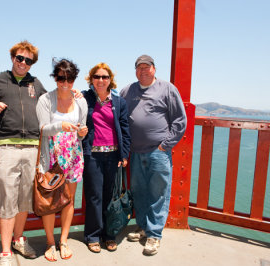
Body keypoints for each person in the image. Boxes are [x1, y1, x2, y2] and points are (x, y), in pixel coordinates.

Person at [0, 41, 46, 266]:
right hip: (7, 148)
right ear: (12, 57)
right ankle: (5, 251)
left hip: (33, 147)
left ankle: (18, 240)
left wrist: (73, 94)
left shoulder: (36, 84)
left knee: (24, 200)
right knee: (7, 198)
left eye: (28, 60)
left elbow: (50, 104)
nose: (23, 63)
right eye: (19, 58)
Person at [120, 55, 187, 256]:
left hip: (158, 152)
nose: (143, 71)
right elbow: (113, 106)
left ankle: (154, 235)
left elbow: (179, 120)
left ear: (154, 69)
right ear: (135, 71)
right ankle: (142, 227)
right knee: (139, 192)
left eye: (146, 67)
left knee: (159, 193)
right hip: (136, 152)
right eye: (139, 68)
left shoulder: (167, 89)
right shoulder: (127, 90)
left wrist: (165, 145)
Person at [36, 59, 88, 262]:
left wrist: (82, 131)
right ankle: (50, 242)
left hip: (74, 156)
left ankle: (63, 240)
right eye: (60, 78)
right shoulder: (45, 100)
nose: (65, 83)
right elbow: (42, 129)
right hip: (51, 156)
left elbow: (81, 131)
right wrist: (60, 126)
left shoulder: (81, 101)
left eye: (69, 79)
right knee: (50, 200)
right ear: (55, 78)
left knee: (68, 200)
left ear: (74, 79)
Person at [82, 63, 130, 253]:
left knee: (109, 197)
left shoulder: (119, 102)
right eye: (97, 76)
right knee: (94, 197)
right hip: (92, 155)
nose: (101, 80)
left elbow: (125, 130)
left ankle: (109, 235)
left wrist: (124, 154)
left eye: (105, 77)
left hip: (113, 155)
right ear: (91, 79)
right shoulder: (84, 99)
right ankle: (93, 236)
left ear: (110, 80)